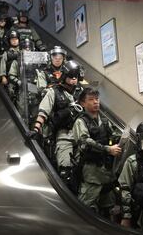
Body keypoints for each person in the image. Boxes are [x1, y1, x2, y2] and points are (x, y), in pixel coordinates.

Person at [32, 60, 83, 190]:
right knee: (65, 172)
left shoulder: (81, 93)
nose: (73, 80)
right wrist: (36, 128)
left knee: (83, 173)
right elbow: (44, 111)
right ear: (65, 76)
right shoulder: (54, 92)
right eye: (71, 77)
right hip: (63, 134)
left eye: (75, 77)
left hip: (82, 136)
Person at [72, 88, 122, 218]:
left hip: (106, 174)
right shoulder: (81, 121)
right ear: (83, 103)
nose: (95, 102)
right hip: (91, 174)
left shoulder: (104, 120)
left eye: (97, 99)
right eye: (91, 99)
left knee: (109, 209)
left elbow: (113, 135)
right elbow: (84, 142)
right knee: (85, 211)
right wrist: (107, 149)